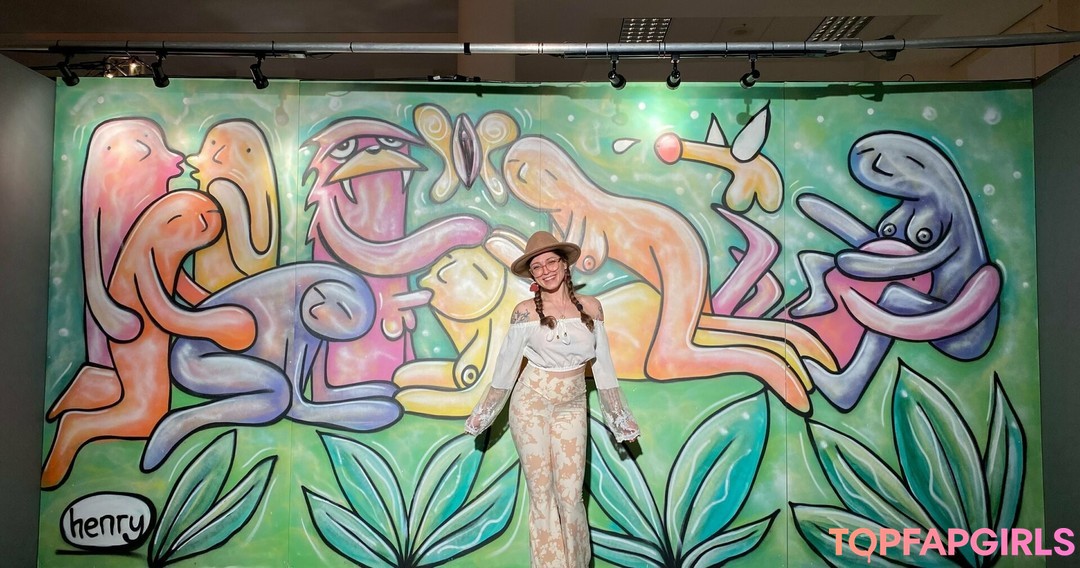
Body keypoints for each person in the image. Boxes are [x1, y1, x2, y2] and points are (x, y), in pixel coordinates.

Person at [465, 230, 640, 567]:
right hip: (530, 405)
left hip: (572, 405)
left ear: (564, 264)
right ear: (532, 274)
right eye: (537, 267)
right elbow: (505, 369)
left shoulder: (592, 308)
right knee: (542, 495)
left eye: (551, 262)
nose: (545, 270)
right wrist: (483, 414)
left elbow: (603, 368)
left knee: (571, 497)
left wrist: (620, 418)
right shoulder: (524, 312)